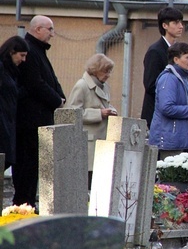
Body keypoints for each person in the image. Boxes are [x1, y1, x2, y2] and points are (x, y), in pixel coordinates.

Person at [14, 15, 66, 206]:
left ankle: (28, 203)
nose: (53, 34)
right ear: (37, 29)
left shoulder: (38, 50)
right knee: (27, 165)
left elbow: (50, 77)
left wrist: (61, 96)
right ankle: (23, 205)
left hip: (39, 119)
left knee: (34, 165)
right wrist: (56, 100)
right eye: (49, 29)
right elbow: (35, 83)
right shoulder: (29, 49)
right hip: (30, 121)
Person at [149, 42, 188, 157]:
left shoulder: (185, 78)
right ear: (176, 59)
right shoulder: (168, 78)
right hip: (169, 142)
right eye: (187, 57)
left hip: (181, 140)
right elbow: (166, 108)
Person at [66, 53, 118, 175]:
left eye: (110, 71)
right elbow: (72, 113)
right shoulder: (82, 85)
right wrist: (99, 114)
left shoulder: (104, 86)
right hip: (88, 142)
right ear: (95, 70)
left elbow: (102, 104)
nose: (108, 75)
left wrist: (110, 110)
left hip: (101, 141)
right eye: (105, 71)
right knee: (88, 178)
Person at [141, 6, 184, 127]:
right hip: (156, 114)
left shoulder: (178, 50)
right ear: (165, 26)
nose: (181, 26)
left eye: (181, 22)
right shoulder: (155, 51)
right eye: (176, 23)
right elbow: (150, 85)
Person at [0, 36, 28, 170]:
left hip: (8, 122)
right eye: (21, 55)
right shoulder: (2, 68)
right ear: (11, 52)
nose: (23, 60)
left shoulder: (10, 71)